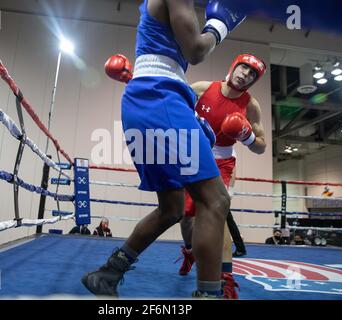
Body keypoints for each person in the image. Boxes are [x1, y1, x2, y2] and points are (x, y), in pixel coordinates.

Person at [82, 0, 246, 298]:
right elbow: (196, 51)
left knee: (172, 208)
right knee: (215, 200)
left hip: (148, 99)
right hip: (159, 96)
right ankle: (209, 295)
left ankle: (108, 274)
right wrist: (220, 26)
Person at [177, 53, 267, 299]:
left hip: (223, 163)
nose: (245, 75)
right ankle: (189, 251)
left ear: (253, 81)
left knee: (219, 218)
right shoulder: (203, 89)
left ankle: (225, 277)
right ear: (233, 67)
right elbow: (173, 102)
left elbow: (261, 146)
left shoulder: (251, 105)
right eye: (243, 68)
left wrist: (246, 136)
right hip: (193, 155)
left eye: (251, 74)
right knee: (185, 218)